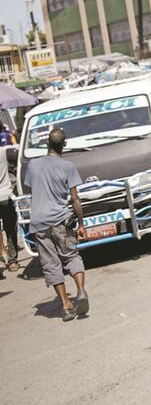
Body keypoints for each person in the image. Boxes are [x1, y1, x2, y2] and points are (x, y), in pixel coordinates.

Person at [23, 128, 88, 321]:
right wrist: (82, 224)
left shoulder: (33, 165)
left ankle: (66, 306)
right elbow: (75, 199)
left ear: (47, 144)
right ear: (64, 145)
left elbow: (32, 189)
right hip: (60, 219)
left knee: (51, 264)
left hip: (39, 223)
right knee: (71, 256)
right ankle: (81, 290)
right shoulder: (68, 166)